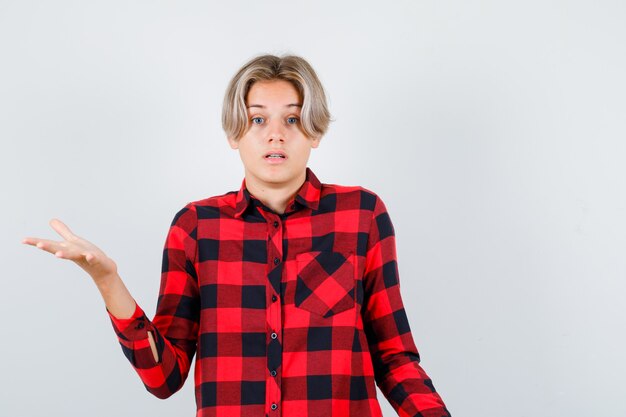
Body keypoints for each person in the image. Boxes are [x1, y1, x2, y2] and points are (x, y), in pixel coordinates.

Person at [22, 54, 451, 417]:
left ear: (315, 132)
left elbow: (395, 360)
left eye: (293, 119)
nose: (275, 133)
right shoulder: (195, 227)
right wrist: (107, 281)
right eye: (257, 119)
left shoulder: (361, 216)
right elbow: (164, 378)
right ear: (234, 134)